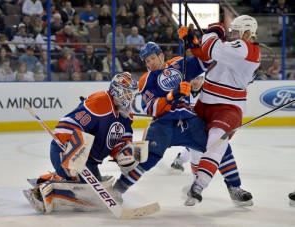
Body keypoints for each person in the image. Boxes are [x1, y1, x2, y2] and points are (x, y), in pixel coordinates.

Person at [24, 72, 140, 213]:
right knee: (82, 185)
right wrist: (71, 147)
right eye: (128, 93)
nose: (131, 97)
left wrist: (123, 154)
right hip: (66, 150)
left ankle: (47, 179)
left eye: (132, 93)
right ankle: (41, 192)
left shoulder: (127, 114)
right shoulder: (100, 101)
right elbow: (69, 123)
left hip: (88, 162)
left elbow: (119, 140)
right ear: (117, 90)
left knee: (94, 198)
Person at [177, 15, 261, 206]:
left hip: (228, 107)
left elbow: (212, 48)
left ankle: (200, 184)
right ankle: (230, 187)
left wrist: (213, 31)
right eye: (232, 32)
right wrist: (193, 43)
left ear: (248, 33)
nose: (233, 36)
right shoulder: (235, 48)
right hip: (206, 102)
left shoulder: (246, 48)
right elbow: (206, 55)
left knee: (216, 141)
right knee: (202, 145)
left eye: (237, 32)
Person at [110, 42, 209, 202]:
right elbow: (151, 108)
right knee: (145, 159)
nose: (150, 63)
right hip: (164, 125)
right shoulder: (147, 79)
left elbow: (205, 59)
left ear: (161, 55)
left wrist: (194, 42)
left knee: (208, 151)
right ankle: (118, 188)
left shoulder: (179, 64)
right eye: (147, 61)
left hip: (189, 124)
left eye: (152, 58)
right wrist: (171, 96)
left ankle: (196, 186)